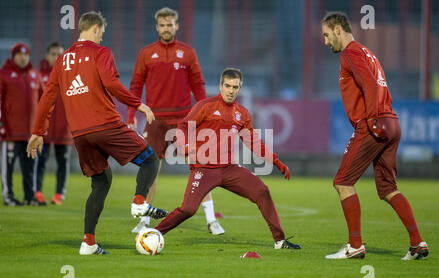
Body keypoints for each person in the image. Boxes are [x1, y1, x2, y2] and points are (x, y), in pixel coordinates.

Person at [27, 11, 168, 255]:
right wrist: (139, 104)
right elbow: (112, 84)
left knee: (101, 182)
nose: (103, 36)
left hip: (81, 134)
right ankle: (139, 203)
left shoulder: (62, 60)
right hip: (106, 125)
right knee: (150, 158)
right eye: (102, 31)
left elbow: (48, 96)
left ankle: (88, 243)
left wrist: (38, 131)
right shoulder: (101, 53)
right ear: (95, 28)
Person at [154, 68, 301, 250]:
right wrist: (184, 146)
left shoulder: (242, 113)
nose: (231, 90)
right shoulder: (205, 106)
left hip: (229, 169)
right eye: (227, 86)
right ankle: (155, 233)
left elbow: (253, 142)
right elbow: (183, 127)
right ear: (220, 86)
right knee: (188, 210)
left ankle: (280, 241)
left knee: (262, 191)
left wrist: (276, 161)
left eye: (235, 87)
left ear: (240, 88)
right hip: (204, 169)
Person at [321, 12, 428, 260]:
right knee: (388, 188)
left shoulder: (350, 53)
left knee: (342, 182)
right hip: (392, 121)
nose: (325, 42)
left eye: (326, 35)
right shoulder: (366, 51)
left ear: (338, 29)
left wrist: (371, 119)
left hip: (374, 123)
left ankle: (355, 245)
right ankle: (417, 243)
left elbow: (369, 84)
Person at [128, 7, 225, 235]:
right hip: (156, 121)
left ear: (177, 26)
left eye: (170, 24)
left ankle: (212, 220)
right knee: (150, 171)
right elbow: (135, 86)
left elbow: (198, 85)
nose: (166, 28)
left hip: (184, 120)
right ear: (157, 27)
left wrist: (206, 116)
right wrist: (131, 116)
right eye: (162, 25)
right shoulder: (146, 54)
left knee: (200, 168)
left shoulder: (188, 53)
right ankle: (144, 221)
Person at [0, 43, 44, 206]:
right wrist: (2, 125)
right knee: (8, 167)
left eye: (26, 54)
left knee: (30, 167)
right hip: (10, 132)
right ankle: (8, 196)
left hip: (31, 134)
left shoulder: (35, 75)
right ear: (13, 56)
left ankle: (29, 196)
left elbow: (43, 101)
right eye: (19, 54)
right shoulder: (3, 74)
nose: (23, 57)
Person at [35, 42, 73, 206]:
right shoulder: (38, 76)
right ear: (47, 56)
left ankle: (59, 194)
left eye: (60, 54)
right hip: (44, 130)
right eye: (53, 54)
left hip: (64, 129)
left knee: (62, 163)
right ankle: (37, 192)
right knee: (40, 161)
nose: (57, 57)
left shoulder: (71, 77)